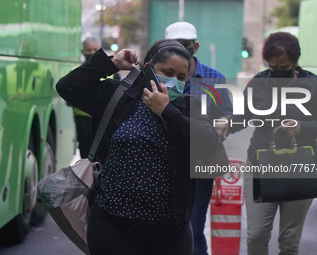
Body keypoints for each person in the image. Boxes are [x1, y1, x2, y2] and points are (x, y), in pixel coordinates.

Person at [56, 39, 220, 255]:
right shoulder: (117, 96)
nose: (173, 82)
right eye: (167, 73)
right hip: (113, 224)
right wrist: (111, 64)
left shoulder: (189, 108)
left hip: (170, 230)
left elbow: (209, 147)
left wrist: (167, 112)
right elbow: (67, 86)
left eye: (181, 77)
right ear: (147, 69)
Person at [229, 32, 317, 255]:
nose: (278, 73)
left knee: (289, 241)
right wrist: (224, 125)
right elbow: (242, 117)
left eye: (284, 67)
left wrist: (304, 127)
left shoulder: (313, 85)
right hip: (261, 165)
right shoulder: (258, 84)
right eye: (273, 68)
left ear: (296, 62)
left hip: (299, 167)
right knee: (256, 235)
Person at [165, 21, 233, 255]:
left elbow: (227, 113)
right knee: (162, 229)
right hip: (161, 165)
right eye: (176, 46)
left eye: (187, 45)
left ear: (196, 46)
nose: (182, 50)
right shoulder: (159, 76)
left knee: (193, 229)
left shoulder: (214, 78)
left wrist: (224, 123)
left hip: (200, 165)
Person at [75, 36, 121, 158]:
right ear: (82, 51)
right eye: (89, 50)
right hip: (83, 122)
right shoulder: (77, 72)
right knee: (85, 157)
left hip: (103, 121)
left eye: (95, 50)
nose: (92, 53)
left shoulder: (113, 73)